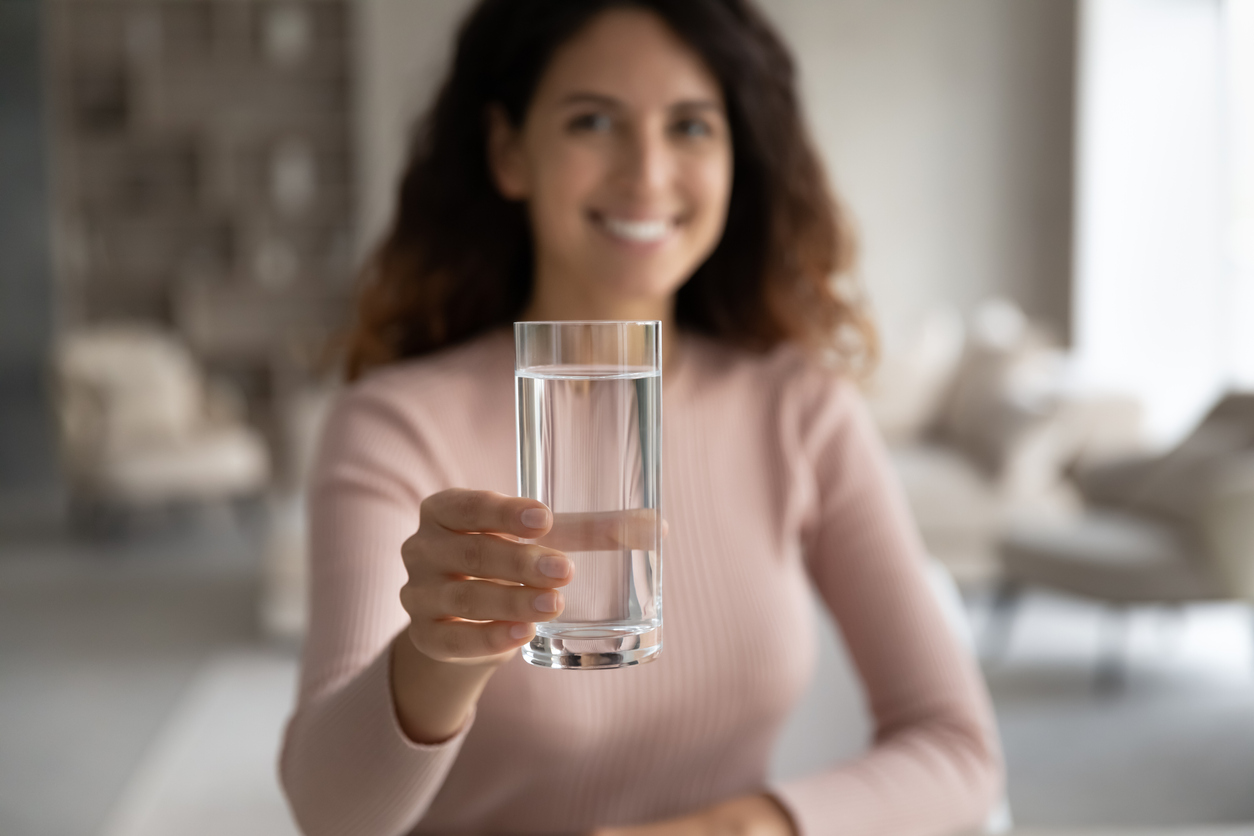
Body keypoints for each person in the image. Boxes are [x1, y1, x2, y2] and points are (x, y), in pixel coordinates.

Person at [280, 1, 1003, 834]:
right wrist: (434, 657)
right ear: (510, 152)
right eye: (593, 121)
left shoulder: (799, 410)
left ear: (738, 157)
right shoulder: (395, 425)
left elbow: (960, 751)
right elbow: (328, 817)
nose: (648, 173)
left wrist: (739, 829)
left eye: (692, 127)